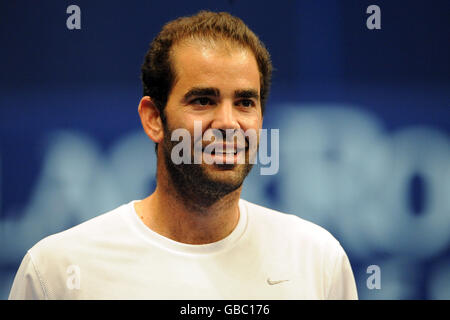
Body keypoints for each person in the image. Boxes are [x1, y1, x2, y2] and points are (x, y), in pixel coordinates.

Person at [9, 11, 358, 300]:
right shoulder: (57, 270)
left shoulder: (318, 260)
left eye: (244, 102)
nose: (227, 123)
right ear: (153, 119)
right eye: (203, 100)